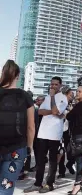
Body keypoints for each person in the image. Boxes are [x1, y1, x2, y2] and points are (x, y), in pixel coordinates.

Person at [24, 76, 68, 193]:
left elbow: (56, 111)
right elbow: (40, 112)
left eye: (55, 84)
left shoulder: (63, 98)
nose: (53, 86)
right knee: (40, 160)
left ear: (60, 86)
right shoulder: (47, 97)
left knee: (53, 160)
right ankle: (37, 183)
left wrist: (54, 104)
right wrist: (54, 112)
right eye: (51, 84)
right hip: (43, 133)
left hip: (54, 134)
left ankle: (49, 183)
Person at [0, 60, 35, 195]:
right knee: (6, 187)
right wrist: (29, 147)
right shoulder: (25, 96)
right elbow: (31, 126)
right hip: (17, 148)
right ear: (18, 76)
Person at [57, 86, 75, 178]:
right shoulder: (60, 102)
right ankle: (61, 171)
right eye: (70, 94)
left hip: (69, 130)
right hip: (60, 130)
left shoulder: (71, 104)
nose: (71, 96)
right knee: (61, 151)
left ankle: (70, 163)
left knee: (70, 150)